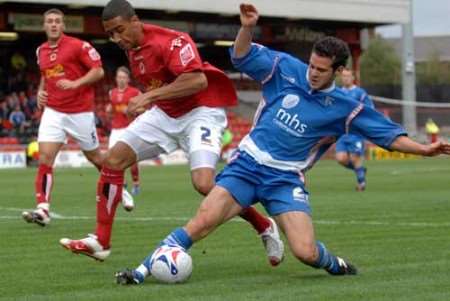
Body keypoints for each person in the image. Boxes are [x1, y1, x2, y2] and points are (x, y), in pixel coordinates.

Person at [114, 3, 450, 285]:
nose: (313, 73)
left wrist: (424, 149)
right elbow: (242, 56)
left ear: (338, 71)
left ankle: (337, 265)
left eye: (321, 70)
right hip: (247, 165)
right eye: (312, 65)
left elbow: (388, 135)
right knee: (201, 222)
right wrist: (246, 27)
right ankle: (141, 271)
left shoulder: (348, 108)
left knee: (305, 252)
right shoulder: (285, 68)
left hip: (285, 178)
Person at [59, 0, 284, 265]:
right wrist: (153, 100)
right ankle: (101, 241)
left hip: (201, 112)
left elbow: (197, 80)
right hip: (165, 114)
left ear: (135, 21)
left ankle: (263, 225)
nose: (116, 38)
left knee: (204, 184)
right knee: (113, 161)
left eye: (119, 30)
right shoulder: (132, 48)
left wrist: (148, 97)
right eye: (110, 34)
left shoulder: (174, 41)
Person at [22, 8, 133, 227]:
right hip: (53, 112)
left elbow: (98, 71)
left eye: (57, 21)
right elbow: (46, 75)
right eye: (50, 21)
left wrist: (76, 83)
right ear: (44, 26)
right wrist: (40, 92)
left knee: (96, 158)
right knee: (45, 158)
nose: (53, 24)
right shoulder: (41, 51)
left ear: (63, 26)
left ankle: (121, 190)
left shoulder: (78, 46)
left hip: (80, 113)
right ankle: (43, 209)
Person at [335, 68, 374, 191]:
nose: (345, 78)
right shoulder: (337, 92)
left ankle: (361, 183)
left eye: (348, 76)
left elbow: (369, 108)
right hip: (341, 132)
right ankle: (360, 171)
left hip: (355, 132)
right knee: (341, 159)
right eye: (344, 76)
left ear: (353, 78)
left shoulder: (360, 93)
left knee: (355, 157)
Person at [106, 66, 141, 198]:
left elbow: (144, 107)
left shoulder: (135, 92)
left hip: (129, 128)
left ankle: (136, 183)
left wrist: (133, 109)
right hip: (116, 129)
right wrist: (109, 109)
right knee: (111, 158)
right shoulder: (112, 93)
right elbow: (112, 108)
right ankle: (122, 183)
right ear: (116, 78)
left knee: (131, 160)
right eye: (119, 77)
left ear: (128, 79)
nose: (121, 80)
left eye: (123, 77)